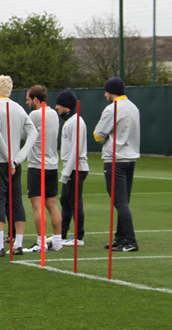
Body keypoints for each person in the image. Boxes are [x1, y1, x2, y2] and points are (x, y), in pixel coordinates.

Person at [0, 75, 37, 257]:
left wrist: (9, 159)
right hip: (14, 162)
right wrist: (18, 158)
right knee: (16, 201)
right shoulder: (19, 108)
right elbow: (33, 133)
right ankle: (18, 244)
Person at [94, 77, 140, 252]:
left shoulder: (112, 109)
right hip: (131, 158)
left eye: (106, 91)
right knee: (124, 201)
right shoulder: (133, 108)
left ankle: (130, 240)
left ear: (111, 92)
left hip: (115, 158)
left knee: (119, 201)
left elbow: (98, 134)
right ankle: (120, 238)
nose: (105, 94)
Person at [22, 85, 63, 254]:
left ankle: (41, 242)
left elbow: (24, 135)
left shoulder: (35, 114)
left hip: (37, 166)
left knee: (37, 206)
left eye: (28, 99)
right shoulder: (53, 113)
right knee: (52, 205)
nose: (27, 102)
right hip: (52, 165)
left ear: (36, 99)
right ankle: (58, 241)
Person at [53, 90, 89, 247]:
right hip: (70, 167)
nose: (56, 107)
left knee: (75, 201)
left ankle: (78, 237)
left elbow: (76, 149)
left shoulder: (77, 122)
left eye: (58, 104)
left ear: (66, 106)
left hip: (77, 168)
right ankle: (62, 234)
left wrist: (67, 172)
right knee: (65, 200)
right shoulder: (70, 121)